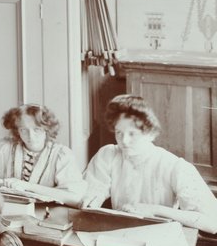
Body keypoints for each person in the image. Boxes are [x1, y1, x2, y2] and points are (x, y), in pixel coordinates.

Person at [83, 94, 217, 232]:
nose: (124, 141)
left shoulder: (174, 166)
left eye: (132, 134)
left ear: (150, 133)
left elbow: (213, 223)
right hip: (119, 232)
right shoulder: (108, 155)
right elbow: (92, 191)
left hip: (159, 236)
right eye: (119, 133)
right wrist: (92, 198)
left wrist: (155, 210)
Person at [0, 103, 85, 206]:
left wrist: (27, 186)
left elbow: (75, 198)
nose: (31, 136)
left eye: (37, 129)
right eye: (24, 130)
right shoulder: (3, 147)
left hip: (46, 215)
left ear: (47, 129)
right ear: (17, 131)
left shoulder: (62, 154)